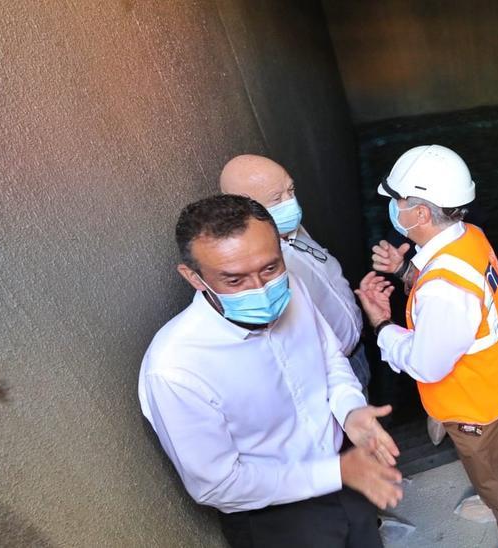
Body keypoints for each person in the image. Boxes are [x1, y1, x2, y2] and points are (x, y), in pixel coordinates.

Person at [138, 195, 402, 547]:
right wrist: (334, 472)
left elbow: (330, 358)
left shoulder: (292, 288)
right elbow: (216, 485)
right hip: (276, 517)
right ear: (194, 277)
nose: (262, 289)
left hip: (348, 471)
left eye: (270, 268)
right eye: (234, 280)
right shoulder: (175, 369)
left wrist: (350, 410)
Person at [356, 145, 498, 548]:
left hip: (473, 407)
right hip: (494, 388)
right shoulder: (469, 237)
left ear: (421, 214)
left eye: (399, 201)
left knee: (493, 478)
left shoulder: (443, 289)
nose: (395, 208)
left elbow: (427, 364)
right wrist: (406, 270)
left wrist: (381, 322)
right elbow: (458, 298)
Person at [220, 154, 371, 393]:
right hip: (331, 380)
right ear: (242, 208)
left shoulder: (291, 227)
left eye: (290, 189)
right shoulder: (257, 271)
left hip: (357, 352)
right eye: (277, 198)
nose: (291, 202)